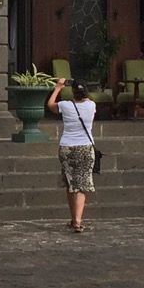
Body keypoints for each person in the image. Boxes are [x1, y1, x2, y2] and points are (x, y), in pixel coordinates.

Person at [48, 76, 96, 233]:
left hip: (67, 147)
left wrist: (58, 87)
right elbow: (86, 98)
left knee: (70, 183)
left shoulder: (65, 105)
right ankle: (77, 220)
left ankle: (73, 218)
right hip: (85, 147)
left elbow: (50, 106)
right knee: (81, 185)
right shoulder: (91, 105)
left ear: (73, 92)